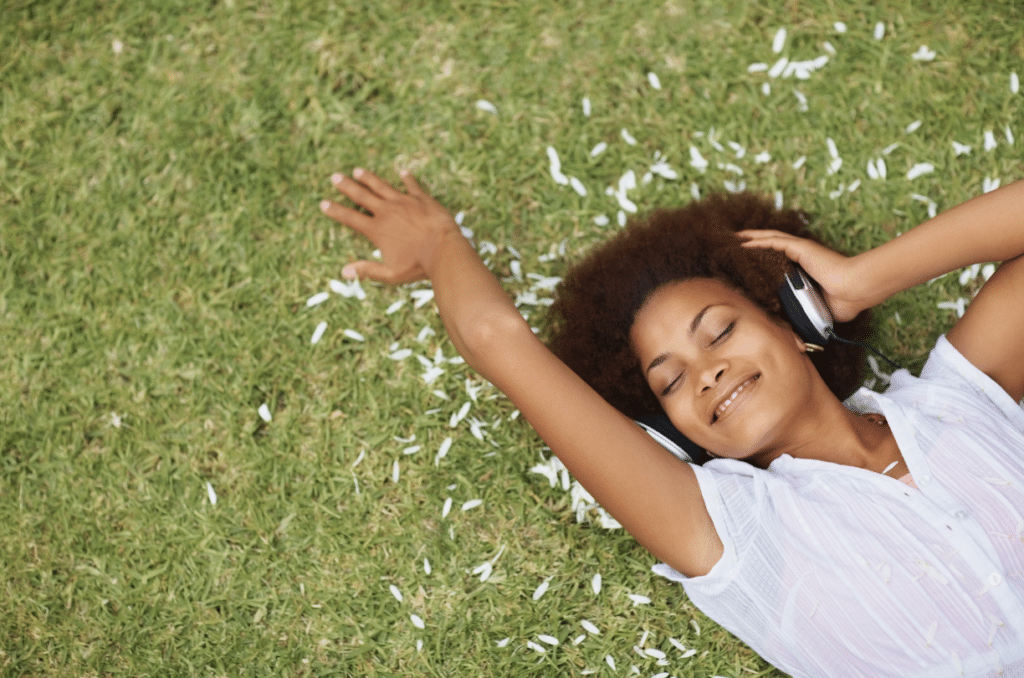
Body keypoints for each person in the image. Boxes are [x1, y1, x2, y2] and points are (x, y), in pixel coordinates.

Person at [319, 168, 1024, 677]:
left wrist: (861, 279)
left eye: (718, 332)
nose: (706, 373)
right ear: (673, 432)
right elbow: (501, 342)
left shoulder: (958, 401)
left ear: (792, 320)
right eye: (671, 380)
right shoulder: (737, 535)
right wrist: (440, 244)